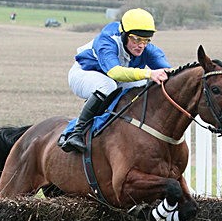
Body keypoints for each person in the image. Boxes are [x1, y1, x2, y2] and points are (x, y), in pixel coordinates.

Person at [60, 8, 171, 153]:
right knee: (108, 86)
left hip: (113, 79)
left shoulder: (148, 49)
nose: (141, 45)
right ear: (124, 35)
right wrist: (148, 73)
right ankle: (76, 132)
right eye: (136, 39)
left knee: (143, 86)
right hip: (84, 73)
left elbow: (169, 72)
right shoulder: (107, 41)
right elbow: (115, 72)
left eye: (146, 40)